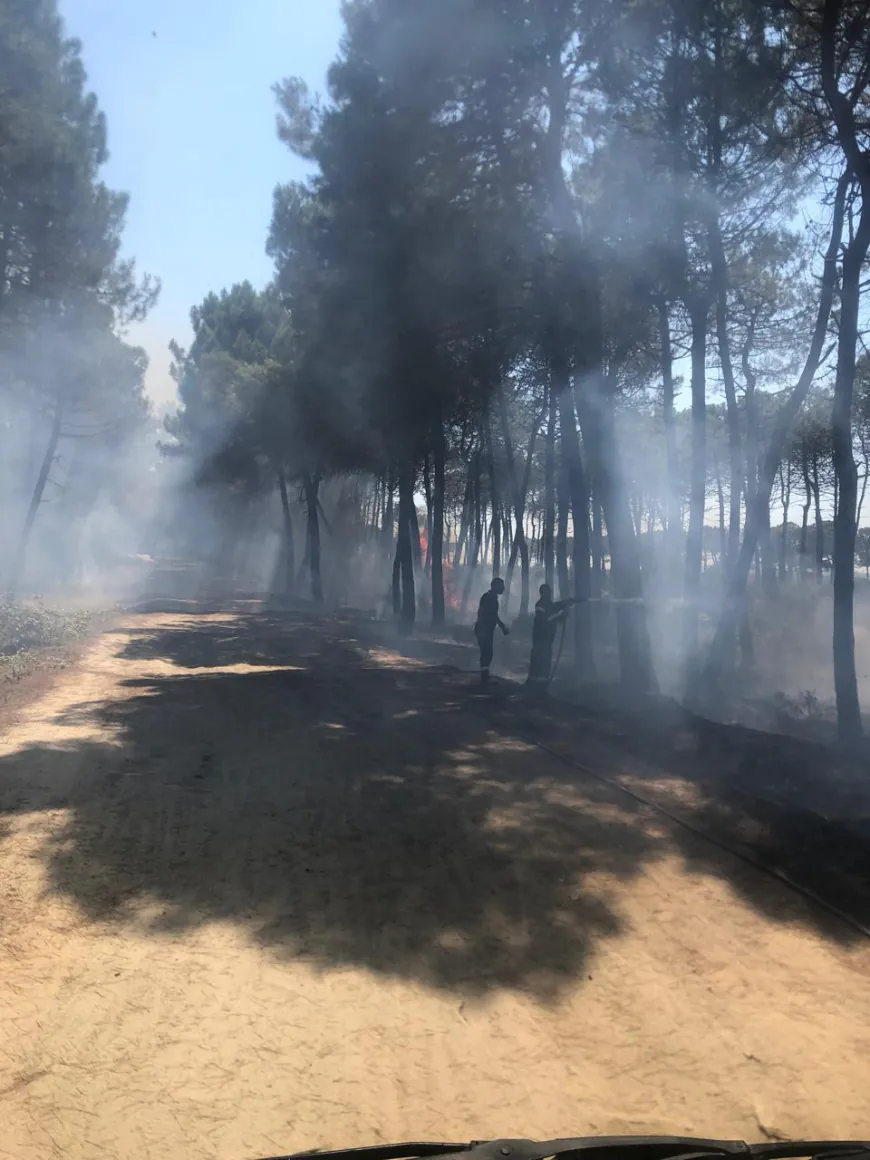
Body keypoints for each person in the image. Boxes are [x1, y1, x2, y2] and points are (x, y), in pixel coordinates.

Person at [527, 584, 576, 689]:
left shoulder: (547, 604)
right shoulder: (540, 605)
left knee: (541, 659)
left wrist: (567, 603)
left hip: (545, 638)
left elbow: (555, 607)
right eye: (548, 591)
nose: (550, 593)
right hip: (541, 638)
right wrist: (562, 615)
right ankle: (538, 686)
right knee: (541, 659)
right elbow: (546, 620)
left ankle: (536, 684)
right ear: (543, 592)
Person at [474, 577, 509, 686]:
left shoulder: (493, 598)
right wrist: (481, 630)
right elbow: (480, 613)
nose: (503, 588)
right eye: (501, 586)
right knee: (486, 652)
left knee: (488, 652)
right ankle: (484, 679)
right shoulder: (487, 597)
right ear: (495, 586)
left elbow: (494, 615)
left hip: (488, 629)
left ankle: (485, 676)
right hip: (484, 629)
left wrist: (502, 626)